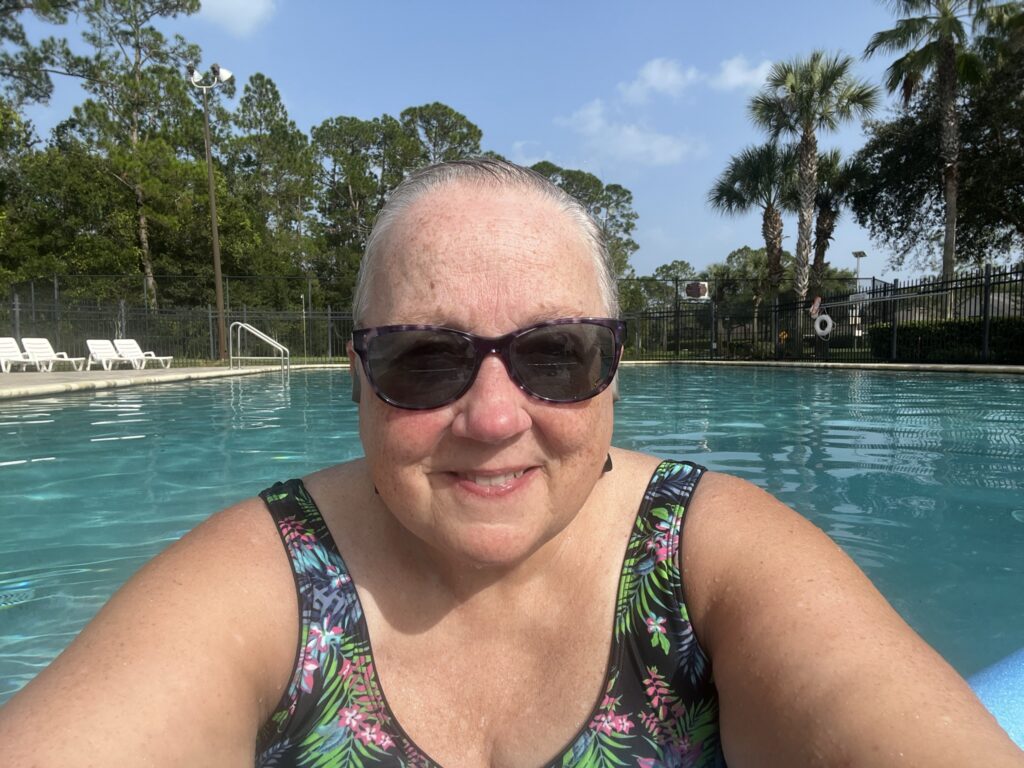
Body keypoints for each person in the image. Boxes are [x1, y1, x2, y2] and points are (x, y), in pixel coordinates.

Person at [0, 158, 1020, 768]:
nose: (493, 416)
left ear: (613, 373)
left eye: (553, 354)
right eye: (424, 359)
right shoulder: (265, 579)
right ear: (355, 377)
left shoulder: (709, 553)